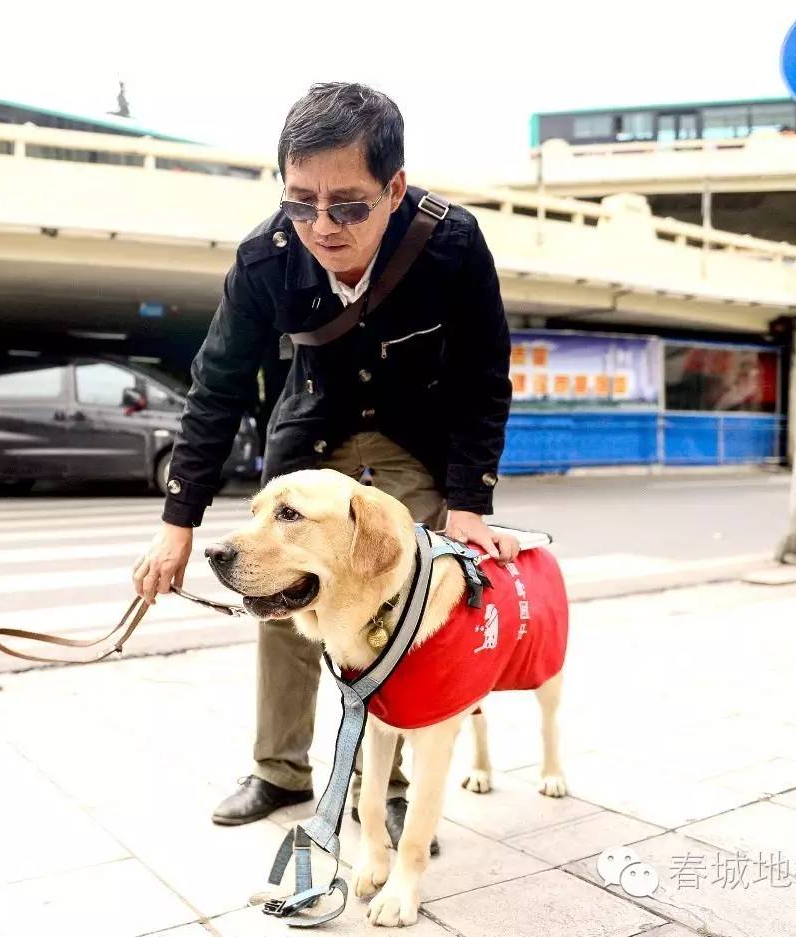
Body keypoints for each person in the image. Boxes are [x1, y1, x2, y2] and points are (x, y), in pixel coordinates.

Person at [132, 82, 518, 847]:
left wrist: (470, 503)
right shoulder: (265, 257)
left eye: (348, 205)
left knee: (399, 599)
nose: (321, 225)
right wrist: (178, 524)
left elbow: (484, 375)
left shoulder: (452, 243)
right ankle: (280, 769)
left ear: (395, 187)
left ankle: (394, 783)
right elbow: (216, 387)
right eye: (300, 201)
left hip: (415, 440)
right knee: (281, 584)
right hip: (312, 436)